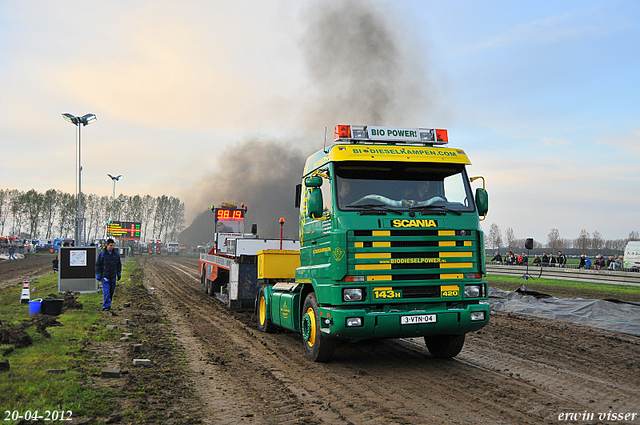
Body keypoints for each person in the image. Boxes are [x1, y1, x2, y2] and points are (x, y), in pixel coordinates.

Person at [96, 239, 122, 311]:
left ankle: (108, 303)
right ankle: (106, 306)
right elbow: (98, 265)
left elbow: (119, 264)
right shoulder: (102, 254)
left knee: (111, 291)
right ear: (107, 245)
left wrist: (118, 273)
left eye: (113, 245)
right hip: (105, 276)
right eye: (111, 245)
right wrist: (98, 275)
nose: (112, 247)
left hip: (113, 276)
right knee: (106, 291)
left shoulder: (116, 254)